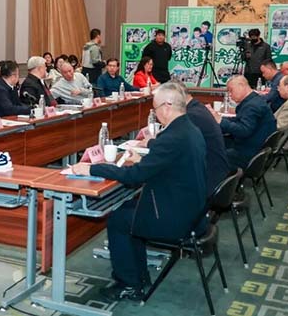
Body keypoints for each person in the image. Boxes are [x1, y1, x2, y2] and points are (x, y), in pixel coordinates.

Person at [71, 83, 207, 301]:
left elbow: (134, 176)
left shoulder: (172, 137)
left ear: (167, 107)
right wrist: (145, 161)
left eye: (155, 108)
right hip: (192, 210)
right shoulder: (190, 129)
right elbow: (168, 164)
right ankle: (139, 277)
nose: (155, 113)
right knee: (128, 209)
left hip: (177, 218)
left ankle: (129, 284)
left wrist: (92, 168)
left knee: (118, 220)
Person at [206, 75, 276, 169]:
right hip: (253, 145)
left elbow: (243, 130)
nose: (229, 94)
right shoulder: (254, 101)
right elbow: (238, 121)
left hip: (247, 152)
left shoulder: (252, 106)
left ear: (241, 86)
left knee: (209, 154)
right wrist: (219, 119)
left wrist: (220, 120)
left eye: (231, 90)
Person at [181, 84, 230, 195]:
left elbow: (176, 145)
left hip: (209, 178)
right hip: (217, 170)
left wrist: (152, 142)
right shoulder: (199, 107)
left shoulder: (191, 115)